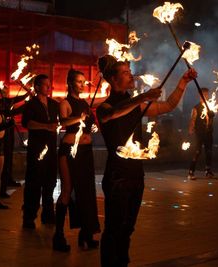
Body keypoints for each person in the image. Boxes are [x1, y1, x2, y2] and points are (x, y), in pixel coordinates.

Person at [96, 55, 197, 267]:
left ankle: (122, 262)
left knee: (128, 227)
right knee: (114, 227)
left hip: (135, 174)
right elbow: (111, 114)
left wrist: (182, 83)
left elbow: (168, 105)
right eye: (124, 72)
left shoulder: (136, 105)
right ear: (113, 80)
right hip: (117, 176)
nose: (130, 75)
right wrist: (142, 98)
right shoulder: (105, 107)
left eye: (129, 71)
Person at [52, 69, 100, 252]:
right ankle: (58, 235)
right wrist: (78, 118)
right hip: (70, 151)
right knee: (67, 191)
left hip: (86, 151)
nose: (82, 84)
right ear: (71, 83)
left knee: (87, 192)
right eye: (79, 82)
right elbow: (63, 122)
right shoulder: (65, 103)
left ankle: (86, 233)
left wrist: (92, 126)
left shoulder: (85, 103)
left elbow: (90, 125)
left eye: (83, 82)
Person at [21, 74, 59, 229]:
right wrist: (46, 126)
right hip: (37, 149)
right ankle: (29, 217)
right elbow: (27, 123)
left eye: (49, 85)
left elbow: (60, 119)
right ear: (37, 87)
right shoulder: (31, 104)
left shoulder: (53, 104)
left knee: (50, 182)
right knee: (34, 183)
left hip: (51, 149)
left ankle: (48, 214)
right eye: (45, 85)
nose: (48, 88)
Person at [0, 82, 32, 199]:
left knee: (6, 160)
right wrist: (25, 106)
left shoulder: (4, 101)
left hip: (6, 133)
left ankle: (1, 189)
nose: (5, 92)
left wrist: (27, 95)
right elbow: (8, 113)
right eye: (3, 91)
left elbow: (16, 100)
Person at [187, 88, 218, 180]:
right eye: (204, 95)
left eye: (207, 94)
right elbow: (192, 120)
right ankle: (191, 172)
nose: (206, 96)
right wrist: (190, 131)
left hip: (209, 133)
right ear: (200, 96)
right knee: (197, 152)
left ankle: (208, 172)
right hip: (199, 133)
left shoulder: (211, 106)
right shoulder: (196, 108)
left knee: (209, 152)